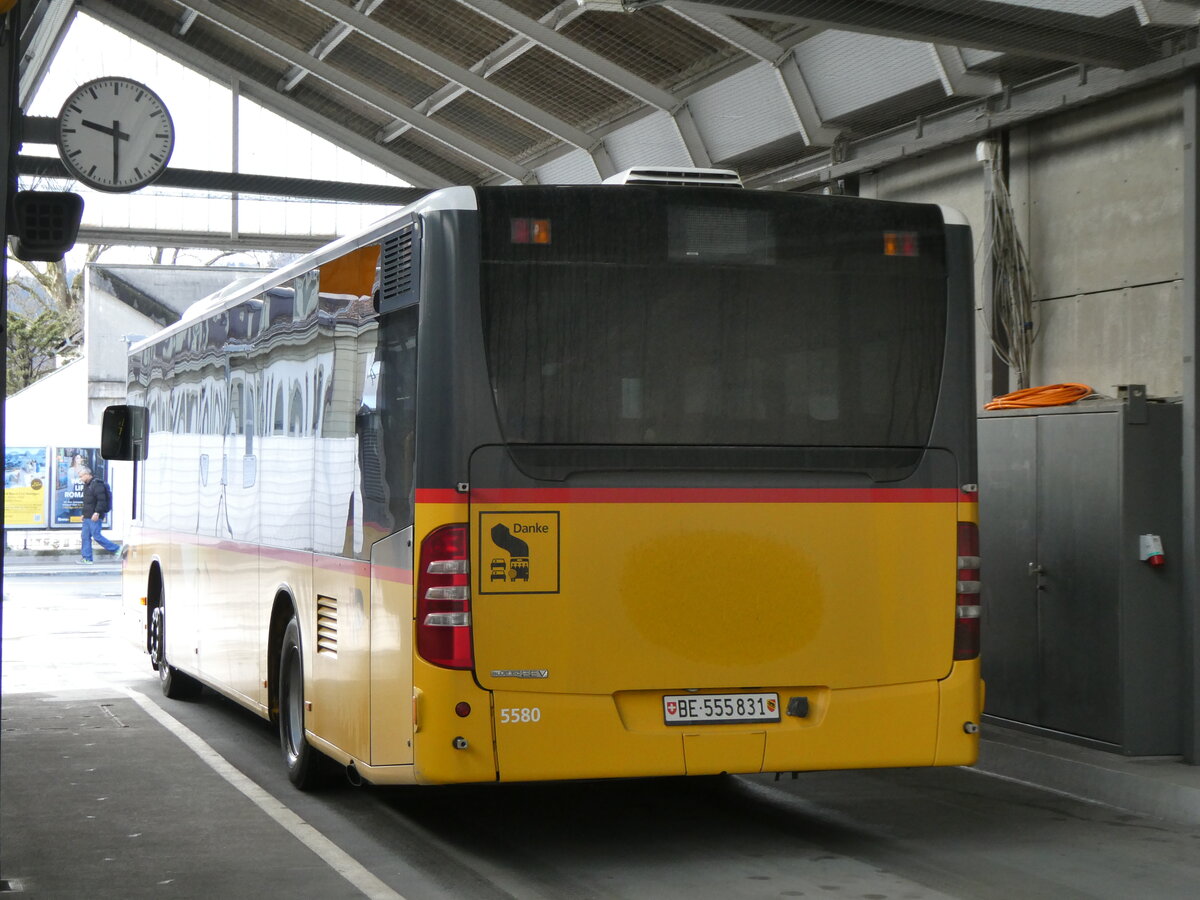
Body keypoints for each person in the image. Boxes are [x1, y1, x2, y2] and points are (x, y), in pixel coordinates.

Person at [78, 467, 119, 564]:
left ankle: (117, 549)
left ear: (87, 474)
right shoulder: (87, 485)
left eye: (81, 476)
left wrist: (97, 512)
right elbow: (87, 502)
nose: (80, 479)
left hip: (95, 516)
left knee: (96, 536)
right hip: (88, 516)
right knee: (85, 536)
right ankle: (87, 558)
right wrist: (83, 514)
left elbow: (101, 500)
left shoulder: (97, 484)